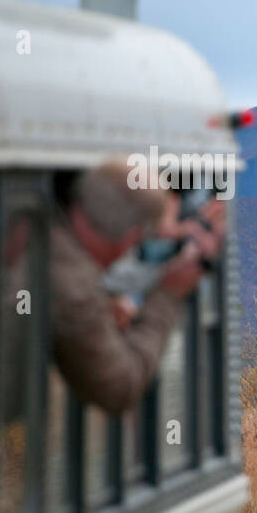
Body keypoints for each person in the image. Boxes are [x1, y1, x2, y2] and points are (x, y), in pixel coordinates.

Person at [49, 159, 226, 414]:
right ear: (131, 235)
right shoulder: (75, 289)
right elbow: (120, 386)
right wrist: (169, 292)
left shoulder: (46, 236)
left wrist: (105, 303)